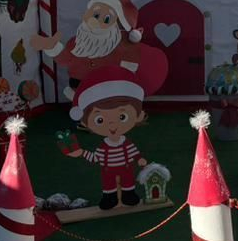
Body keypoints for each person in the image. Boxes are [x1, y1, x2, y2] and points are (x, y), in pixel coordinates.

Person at [63, 46, 169, 209]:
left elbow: (133, 152)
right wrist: (81, 153)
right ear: (85, 122)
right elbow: (95, 157)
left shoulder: (125, 143)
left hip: (126, 168)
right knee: (109, 185)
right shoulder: (104, 147)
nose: (112, 124)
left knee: (127, 181)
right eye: (100, 119)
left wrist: (139, 159)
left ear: (138, 115)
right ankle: (110, 198)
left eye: (122, 117)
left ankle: (128, 195)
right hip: (107, 171)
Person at [30, 0, 143, 93]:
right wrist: (52, 47)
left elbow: (129, 69)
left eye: (107, 18)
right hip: (79, 88)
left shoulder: (122, 46)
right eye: (95, 14)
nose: (96, 21)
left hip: (110, 90)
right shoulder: (77, 42)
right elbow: (67, 59)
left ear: (117, 24)